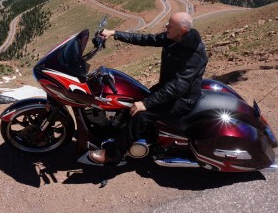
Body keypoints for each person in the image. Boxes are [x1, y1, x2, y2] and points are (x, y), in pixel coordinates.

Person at [89, 11, 208, 164]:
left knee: (141, 115)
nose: (166, 26)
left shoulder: (194, 53)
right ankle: (112, 135)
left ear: (183, 30)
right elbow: (146, 39)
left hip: (183, 99)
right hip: (167, 89)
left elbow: (178, 87)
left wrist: (146, 104)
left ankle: (113, 155)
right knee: (132, 99)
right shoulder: (173, 37)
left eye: (170, 25)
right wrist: (114, 33)